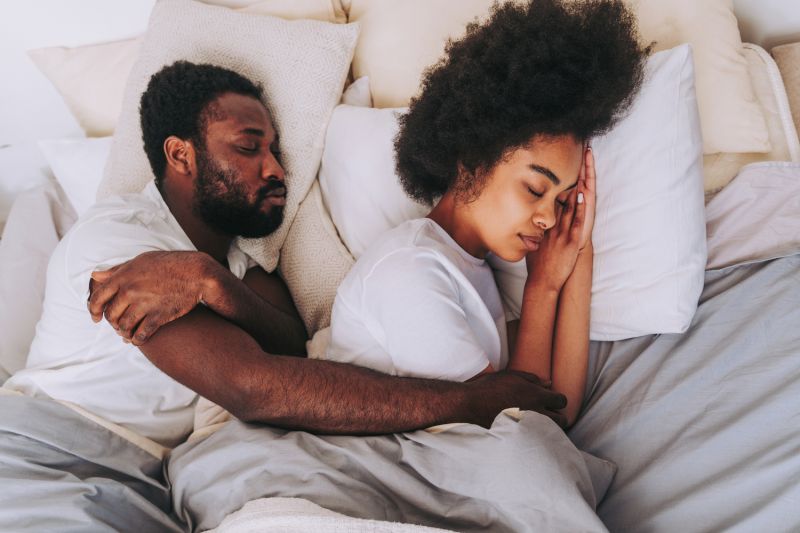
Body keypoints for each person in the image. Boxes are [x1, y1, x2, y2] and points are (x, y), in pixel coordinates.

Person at [4, 61, 565, 447]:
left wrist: (212, 282)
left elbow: (291, 345)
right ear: (181, 154)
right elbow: (254, 386)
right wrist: (468, 402)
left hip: (138, 483)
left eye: (275, 149)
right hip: (49, 447)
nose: (275, 169)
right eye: (249, 148)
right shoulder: (121, 243)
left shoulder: (242, 266)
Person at [326, 0, 648, 426]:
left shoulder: (470, 269)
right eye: (535, 188)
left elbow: (560, 410)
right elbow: (523, 428)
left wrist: (578, 249)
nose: (549, 218)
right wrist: (541, 289)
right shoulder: (410, 271)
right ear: (473, 158)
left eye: (562, 199)